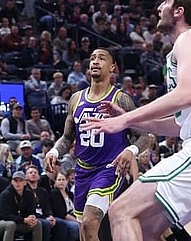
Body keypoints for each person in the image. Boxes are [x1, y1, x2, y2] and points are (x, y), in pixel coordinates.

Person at [82, 0, 191, 241]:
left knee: (121, 212)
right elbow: (180, 125)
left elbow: (186, 94)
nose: (159, 7)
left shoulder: (190, 39)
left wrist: (124, 118)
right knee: (145, 229)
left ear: (179, 11)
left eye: (166, 1)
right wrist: (131, 119)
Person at [43, 48, 149, 241]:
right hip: (83, 171)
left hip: (109, 169)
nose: (95, 61)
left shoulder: (121, 99)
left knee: (90, 223)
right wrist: (54, 152)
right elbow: (67, 138)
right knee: (85, 232)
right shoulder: (76, 99)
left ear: (112, 67)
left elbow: (144, 136)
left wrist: (130, 150)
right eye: (92, 58)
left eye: (101, 58)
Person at [0, 171, 42, 241]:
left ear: (25, 182)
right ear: (12, 182)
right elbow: (5, 215)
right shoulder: (5, 194)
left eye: (20, 181)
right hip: (0, 222)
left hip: (19, 222)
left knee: (37, 224)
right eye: (15, 181)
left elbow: (32, 210)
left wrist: (32, 216)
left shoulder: (29, 194)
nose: (17, 183)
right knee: (10, 225)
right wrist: (24, 220)